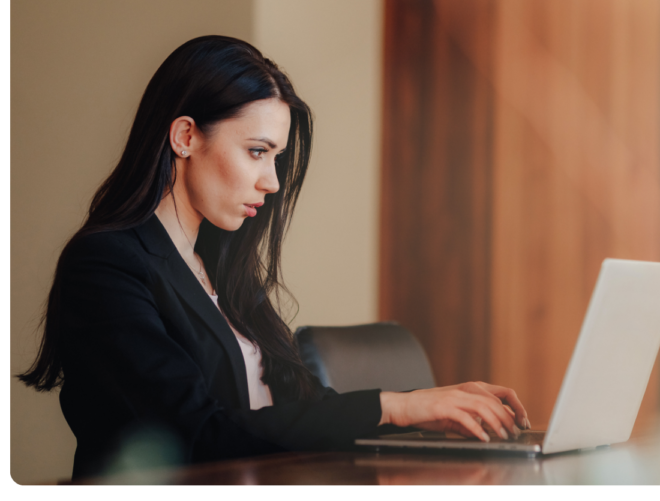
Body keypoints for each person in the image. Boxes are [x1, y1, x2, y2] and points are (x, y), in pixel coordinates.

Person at [18, 35, 529, 480]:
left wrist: (421, 407)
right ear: (185, 137)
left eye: (276, 157)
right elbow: (196, 433)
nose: (273, 181)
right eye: (257, 151)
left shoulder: (221, 266)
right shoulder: (106, 264)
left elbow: (293, 405)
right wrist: (391, 408)